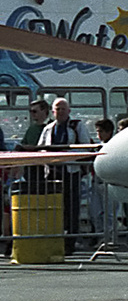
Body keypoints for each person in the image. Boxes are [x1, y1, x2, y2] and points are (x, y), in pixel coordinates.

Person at [38, 98, 89, 252]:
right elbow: (41, 148)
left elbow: (86, 148)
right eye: (57, 109)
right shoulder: (48, 128)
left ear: (69, 111)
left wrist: (66, 155)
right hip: (52, 173)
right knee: (54, 207)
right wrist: (48, 156)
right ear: (52, 112)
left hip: (71, 172)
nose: (59, 112)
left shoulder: (77, 126)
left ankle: (71, 242)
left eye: (62, 109)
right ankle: (56, 239)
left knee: (71, 207)